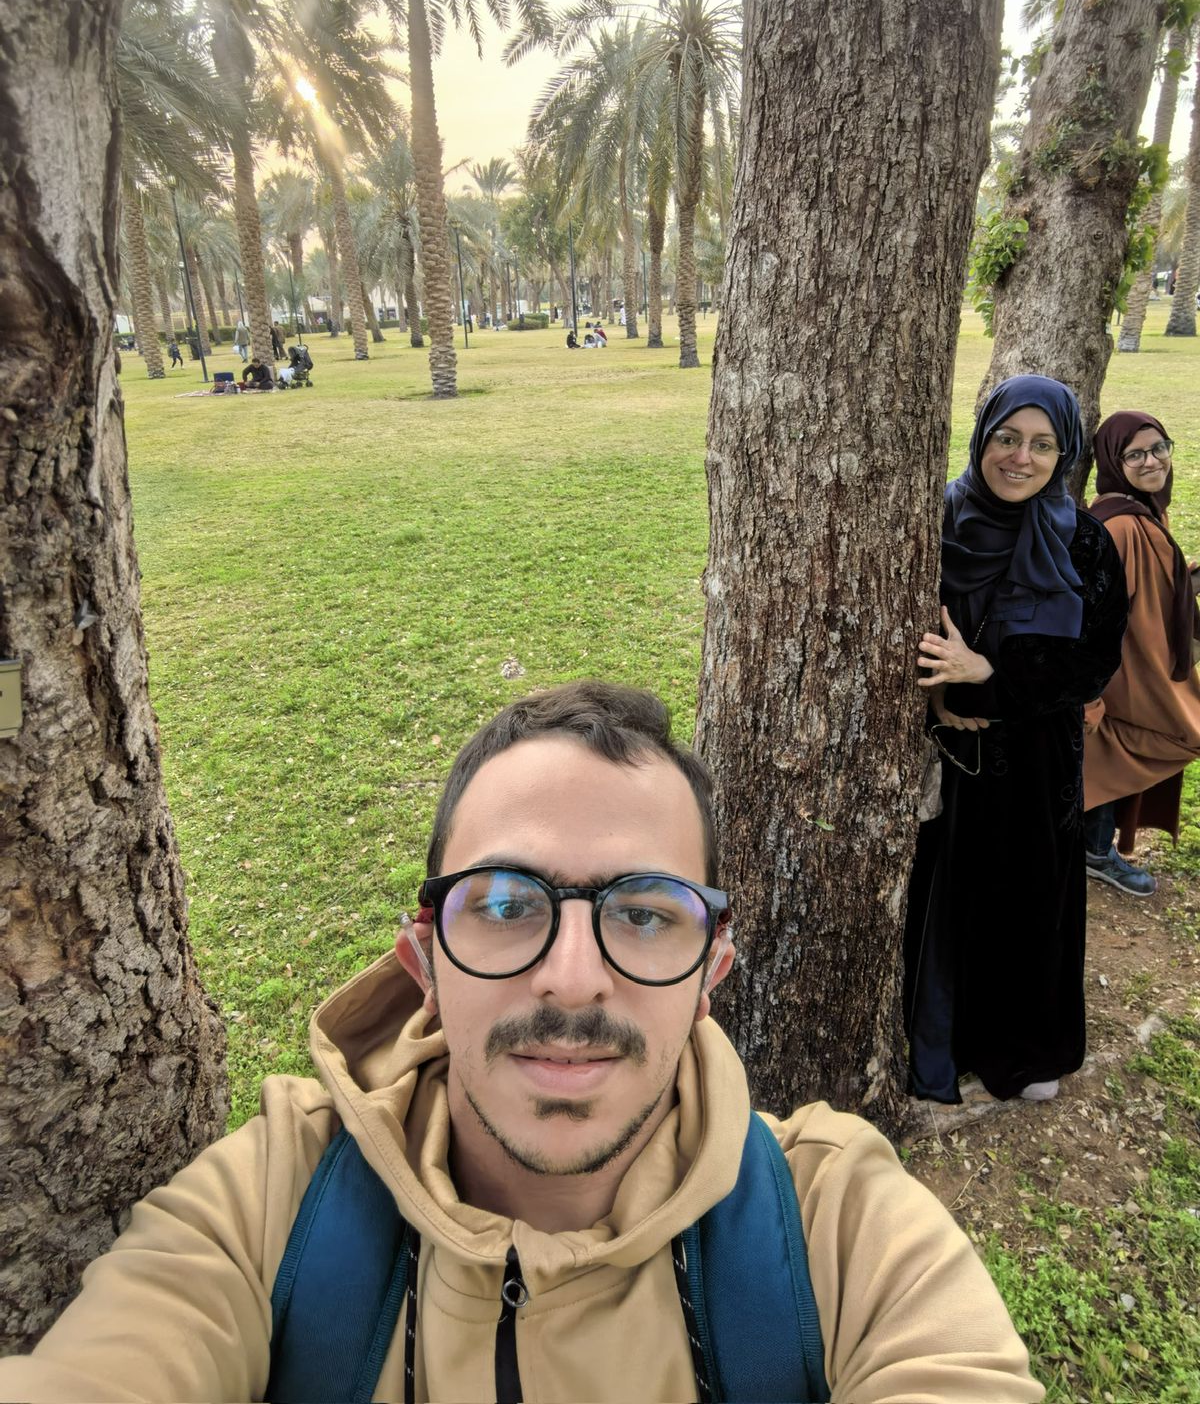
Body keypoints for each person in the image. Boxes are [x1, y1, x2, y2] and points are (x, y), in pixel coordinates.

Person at [0, 683, 1042, 1403]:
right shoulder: (268, 1205)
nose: (573, 978)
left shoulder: (838, 1227)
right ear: (423, 958)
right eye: (505, 903)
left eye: (645, 911)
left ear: (710, 974)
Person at [904, 376, 1127, 1106]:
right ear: (982, 437)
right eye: (1006, 437)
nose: (1020, 458)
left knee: (1025, 903)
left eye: (1042, 445)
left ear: (1064, 455)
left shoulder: (1084, 542)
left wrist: (989, 678)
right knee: (944, 901)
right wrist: (938, 693)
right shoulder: (937, 519)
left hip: (1035, 763)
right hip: (945, 753)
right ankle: (939, 1043)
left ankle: (1022, 1052)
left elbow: (1094, 662)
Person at [1083, 411, 1200, 896]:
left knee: (1113, 753)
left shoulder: (1143, 511)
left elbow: (1153, 586)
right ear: (1113, 460)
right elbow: (1094, 614)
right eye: (1135, 454)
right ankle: (1093, 851)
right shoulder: (1121, 527)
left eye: (1159, 448)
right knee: (1155, 739)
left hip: (1141, 662)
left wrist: (1187, 578)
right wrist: (1091, 696)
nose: (1152, 461)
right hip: (1124, 672)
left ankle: (1094, 848)